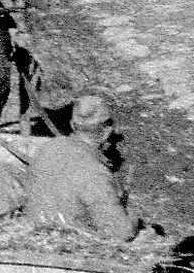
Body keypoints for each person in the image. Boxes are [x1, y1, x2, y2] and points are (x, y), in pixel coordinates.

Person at [23, 95, 137, 241]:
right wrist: (135, 220)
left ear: (72, 124)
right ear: (107, 130)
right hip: (67, 243)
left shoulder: (48, 148)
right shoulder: (95, 173)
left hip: (34, 233)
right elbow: (121, 233)